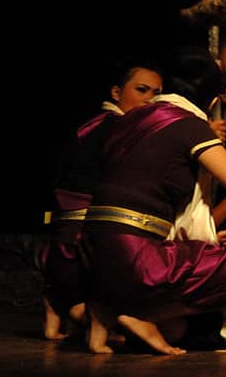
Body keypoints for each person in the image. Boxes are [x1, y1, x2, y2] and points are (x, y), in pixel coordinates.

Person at [81, 49, 226, 355]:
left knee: (184, 328)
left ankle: (106, 313)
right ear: (214, 98)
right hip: (133, 256)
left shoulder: (131, 118)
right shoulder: (188, 124)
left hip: (91, 251)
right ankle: (142, 317)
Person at [41, 61, 163, 341]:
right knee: (117, 321)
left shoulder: (109, 125)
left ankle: (57, 303)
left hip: (73, 227)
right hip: (78, 230)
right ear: (116, 92)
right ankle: (64, 303)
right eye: (142, 90)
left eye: (156, 93)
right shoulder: (112, 127)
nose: (149, 99)